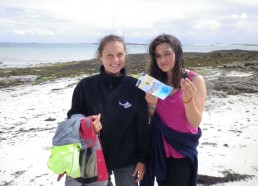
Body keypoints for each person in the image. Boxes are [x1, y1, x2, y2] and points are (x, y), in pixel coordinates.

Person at [66, 34, 149, 186]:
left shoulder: (137, 86)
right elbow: (73, 117)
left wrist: (142, 160)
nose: (115, 60)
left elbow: (142, 126)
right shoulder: (85, 86)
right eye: (109, 55)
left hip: (127, 161)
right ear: (100, 56)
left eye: (119, 55)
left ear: (125, 55)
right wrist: (88, 123)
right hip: (93, 157)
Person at [142, 34, 206, 186]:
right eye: (158, 56)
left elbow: (194, 122)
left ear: (177, 53)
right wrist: (151, 106)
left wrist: (188, 100)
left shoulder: (194, 80)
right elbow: (152, 118)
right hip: (160, 148)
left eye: (167, 54)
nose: (162, 60)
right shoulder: (153, 81)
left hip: (181, 149)